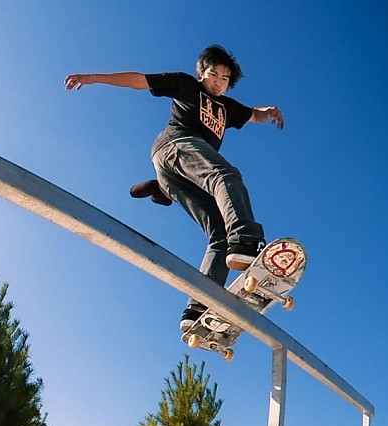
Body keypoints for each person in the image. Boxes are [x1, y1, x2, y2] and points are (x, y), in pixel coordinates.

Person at [64, 45, 285, 332]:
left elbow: (254, 115)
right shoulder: (186, 84)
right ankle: (245, 240)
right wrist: (93, 77)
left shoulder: (228, 109)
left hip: (178, 173)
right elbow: (138, 80)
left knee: (219, 230)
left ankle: (198, 307)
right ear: (201, 73)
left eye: (225, 78)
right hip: (174, 145)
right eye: (213, 74)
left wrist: (269, 112)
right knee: (226, 175)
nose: (218, 81)